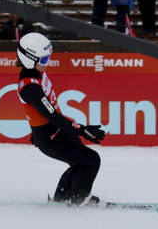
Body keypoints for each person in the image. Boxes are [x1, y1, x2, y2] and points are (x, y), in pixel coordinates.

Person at [15, 32, 105, 206]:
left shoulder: (35, 71)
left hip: (55, 131)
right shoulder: (30, 87)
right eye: (43, 59)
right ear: (29, 59)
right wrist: (82, 129)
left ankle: (61, 201)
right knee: (92, 161)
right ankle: (80, 201)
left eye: (48, 58)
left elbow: (46, 112)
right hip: (50, 137)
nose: (46, 63)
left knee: (80, 162)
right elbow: (53, 116)